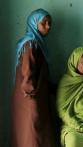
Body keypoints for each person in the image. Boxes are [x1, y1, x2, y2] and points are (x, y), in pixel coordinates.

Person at [11, 8, 55, 147]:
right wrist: (33, 95)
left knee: (31, 136)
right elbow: (27, 72)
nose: (48, 27)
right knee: (33, 137)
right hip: (29, 98)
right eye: (44, 23)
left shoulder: (37, 44)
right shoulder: (31, 44)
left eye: (50, 23)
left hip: (31, 97)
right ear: (34, 23)